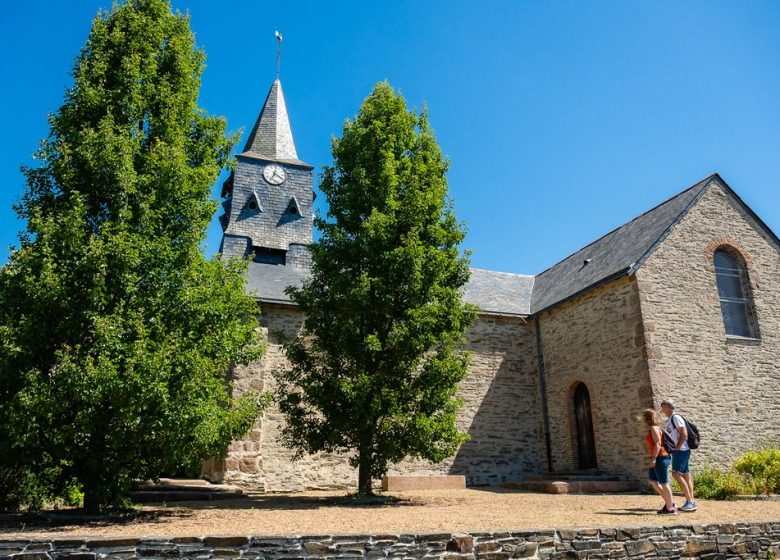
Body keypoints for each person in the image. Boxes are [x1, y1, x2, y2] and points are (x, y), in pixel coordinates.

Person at [660, 399, 697, 512]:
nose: (661, 410)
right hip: (682, 450)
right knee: (685, 475)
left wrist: (677, 447)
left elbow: (684, 433)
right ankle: (691, 500)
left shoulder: (675, 418)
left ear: (667, 407)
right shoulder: (672, 419)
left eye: (662, 407)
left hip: (681, 451)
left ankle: (690, 501)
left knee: (676, 474)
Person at [641, 408, 675, 514]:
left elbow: (657, 443)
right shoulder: (655, 428)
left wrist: (654, 458)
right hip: (659, 458)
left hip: (660, 458)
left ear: (646, 418)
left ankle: (670, 509)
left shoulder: (654, 428)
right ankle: (670, 502)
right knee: (652, 481)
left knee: (664, 483)